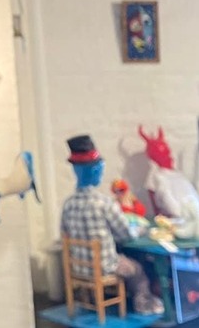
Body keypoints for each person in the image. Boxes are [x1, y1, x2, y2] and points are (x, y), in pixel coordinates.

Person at [60, 134, 164, 317]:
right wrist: (141, 229)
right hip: (105, 266)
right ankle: (144, 305)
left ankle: (91, 300)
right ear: (94, 171)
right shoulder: (104, 204)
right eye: (99, 168)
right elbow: (127, 234)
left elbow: (65, 234)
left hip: (79, 268)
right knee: (137, 270)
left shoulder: (68, 204)